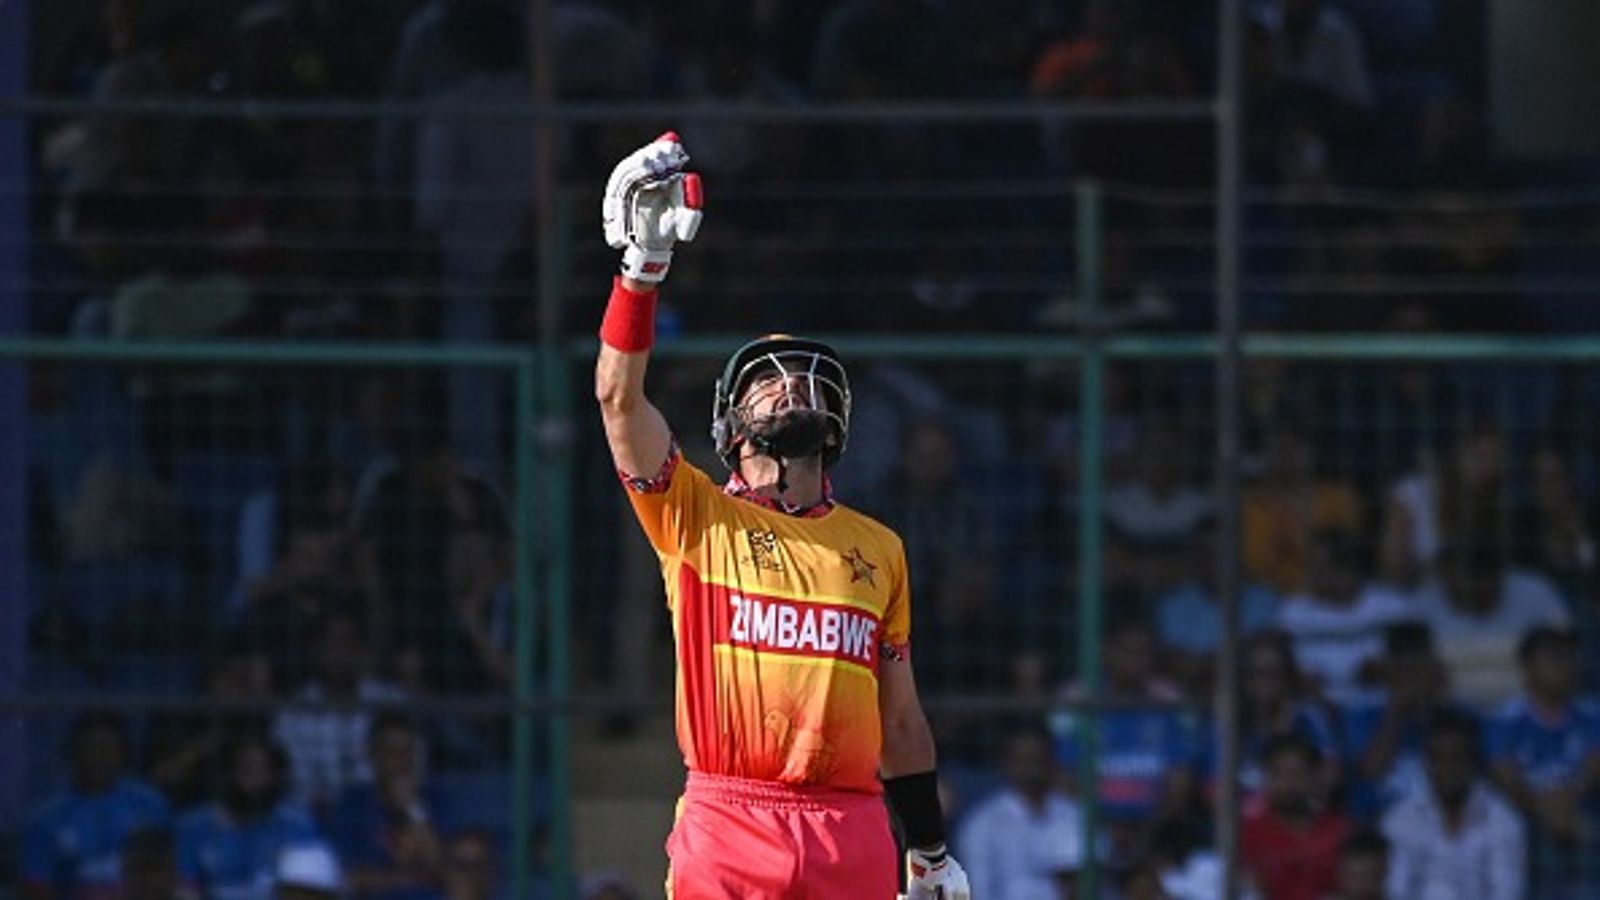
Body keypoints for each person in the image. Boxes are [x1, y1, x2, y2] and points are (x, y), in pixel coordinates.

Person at [593, 132, 967, 898]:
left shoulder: (879, 548)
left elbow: (901, 723)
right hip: (729, 820)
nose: (792, 389)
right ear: (731, 427)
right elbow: (616, 399)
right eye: (768, 384)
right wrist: (642, 274)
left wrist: (927, 850)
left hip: (851, 825)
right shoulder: (692, 515)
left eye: (806, 380)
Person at [1487, 627, 1600, 897]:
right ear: (1527, 667)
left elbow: (1596, 768)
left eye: (1570, 658)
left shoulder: (1592, 713)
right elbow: (1504, 777)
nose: (1566, 667)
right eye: (1555, 659)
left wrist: (1568, 801)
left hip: (1582, 817)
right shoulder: (1505, 719)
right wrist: (1545, 810)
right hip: (1529, 824)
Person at [20, 712, 171, 900]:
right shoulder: (46, 818)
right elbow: (36, 885)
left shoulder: (149, 804)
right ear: (73, 753)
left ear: (124, 754)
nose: (100, 757)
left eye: (109, 748)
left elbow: (167, 875)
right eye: (91, 747)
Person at [1381, 709, 1525, 900]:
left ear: (1473, 761)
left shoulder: (1504, 821)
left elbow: (1506, 893)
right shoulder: (1400, 819)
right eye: (1437, 758)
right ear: (1425, 763)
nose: (1446, 768)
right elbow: (1397, 891)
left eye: (1456, 757)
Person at [177, 733, 323, 900]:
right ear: (228, 773)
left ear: (276, 776)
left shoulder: (297, 826)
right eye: (244, 768)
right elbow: (185, 886)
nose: (251, 779)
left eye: (261, 770)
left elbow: (309, 888)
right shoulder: (194, 826)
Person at [327, 713, 447, 900]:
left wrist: (414, 809)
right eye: (391, 751)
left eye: (407, 751)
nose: (400, 761)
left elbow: (443, 871)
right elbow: (347, 877)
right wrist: (414, 877)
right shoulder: (353, 802)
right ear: (373, 755)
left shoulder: (434, 799)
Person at [954, 724, 1083, 899]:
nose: (1032, 768)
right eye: (1022, 760)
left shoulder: (1073, 813)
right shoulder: (982, 823)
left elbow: (1085, 881)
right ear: (1006, 764)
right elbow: (978, 891)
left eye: (1038, 759)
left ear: (1052, 763)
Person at [1239, 735, 1351, 900]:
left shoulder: (1340, 832)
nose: (1288, 784)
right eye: (1278, 774)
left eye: (1296, 774)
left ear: (1315, 777)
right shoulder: (1247, 832)